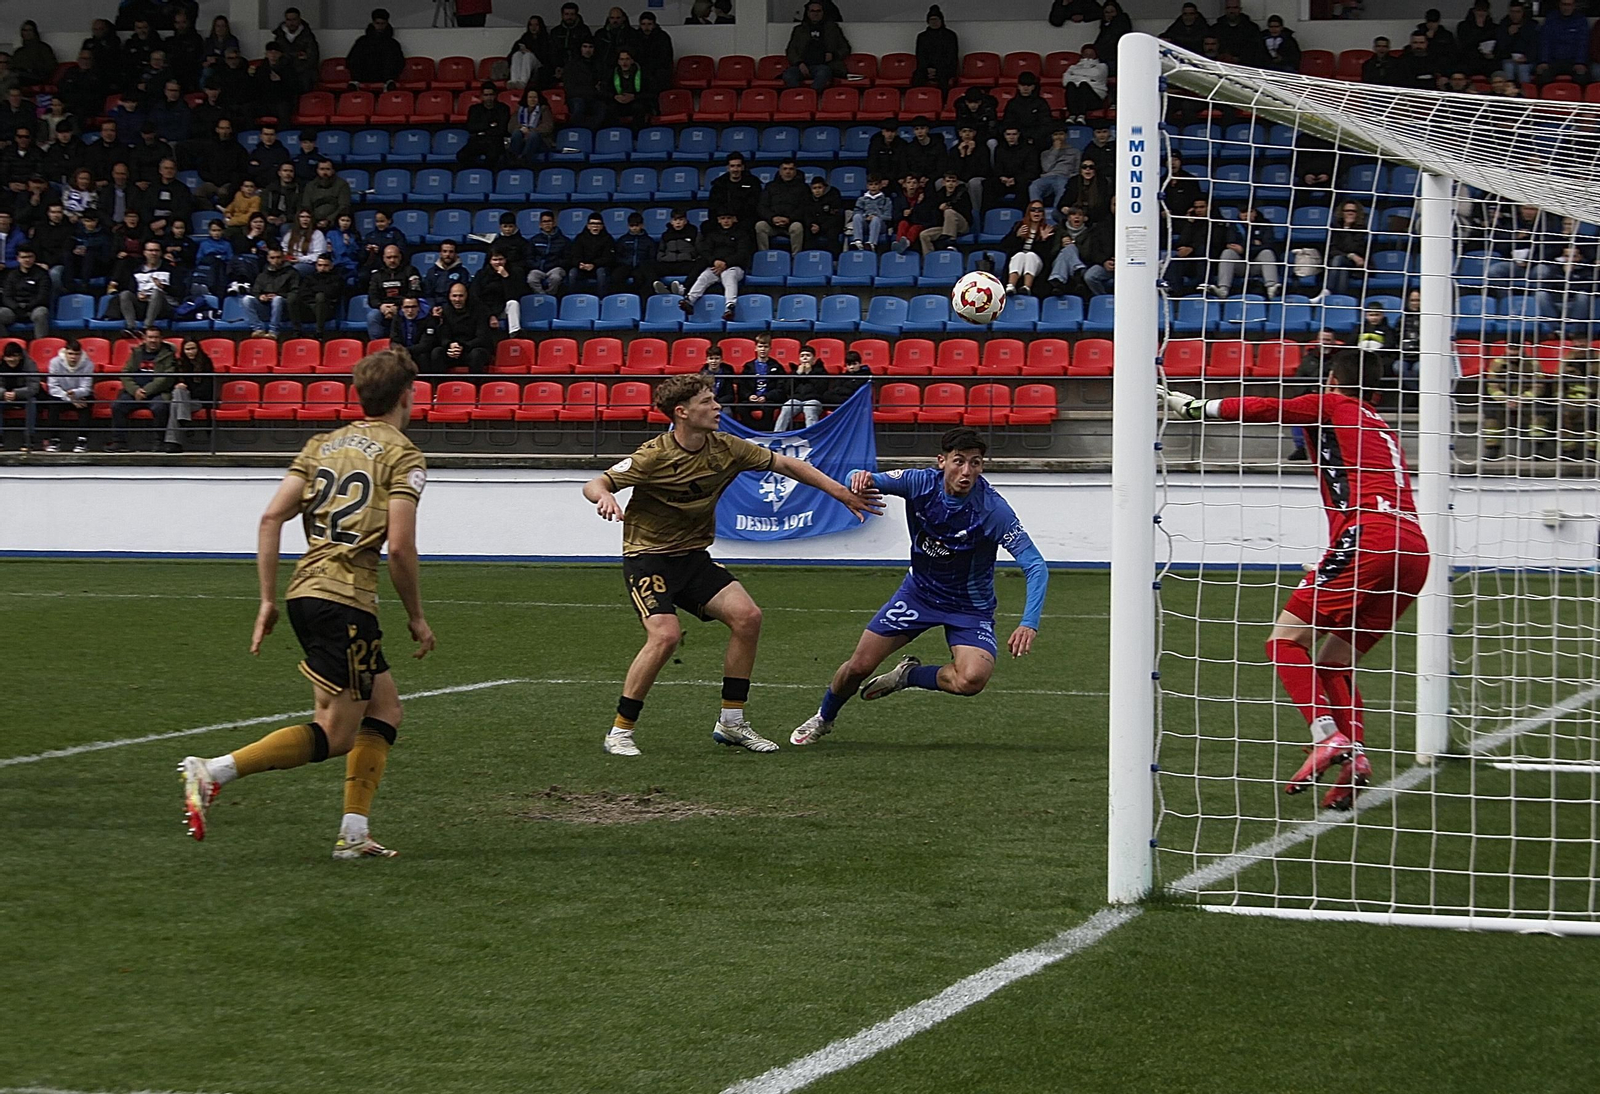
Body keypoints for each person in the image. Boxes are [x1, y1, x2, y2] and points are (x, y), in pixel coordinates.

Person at [180, 348, 434, 858]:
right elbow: (401, 547)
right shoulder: (403, 455)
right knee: (336, 733)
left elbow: (271, 517)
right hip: (347, 603)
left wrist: (267, 600)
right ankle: (212, 772)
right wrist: (416, 616)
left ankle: (354, 834)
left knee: (385, 709)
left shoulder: (322, 444)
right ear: (408, 396)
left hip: (305, 593)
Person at [1161, 350, 1431, 810]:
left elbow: (1265, 408)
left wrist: (1195, 408)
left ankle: (1326, 736)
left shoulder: (1334, 405)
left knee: (1284, 641)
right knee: (1333, 663)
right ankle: (1354, 762)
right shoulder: (1382, 427)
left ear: (1331, 380)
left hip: (1370, 538)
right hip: (1413, 548)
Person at [581, 373, 879, 757]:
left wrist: (840, 493)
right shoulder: (653, 455)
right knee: (666, 635)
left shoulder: (727, 448)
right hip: (648, 559)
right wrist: (605, 498)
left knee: (748, 617)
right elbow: (597, 483)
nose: (717, 407)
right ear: (682, 413)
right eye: (707, 401)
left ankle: (732, 722)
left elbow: (786, 465)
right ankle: (620, 731)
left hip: (692, 558)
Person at [789, 427, 1049, 747]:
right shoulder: (918, 483)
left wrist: (1029, 622)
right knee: (858, 666)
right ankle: (824, 718)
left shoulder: (992, 511)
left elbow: (1035, 564)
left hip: (969, 607)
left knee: (972, 679)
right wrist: (858, 478)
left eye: (976, 463)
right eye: (959, 461)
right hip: (919, 595)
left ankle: (909, 676)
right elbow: (865, 476)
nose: (967, 471)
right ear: (941, 461)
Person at [107, 326, 175, 451]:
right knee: (117, 406)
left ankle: (158, 443)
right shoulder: (136, 353)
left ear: (161, 339)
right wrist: (135, 390)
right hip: (134, 393)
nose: (153, 340)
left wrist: (146, 391)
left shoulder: (169, 354)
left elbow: (167, 378)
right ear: (144, 338)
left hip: (157, 393)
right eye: (150, 337)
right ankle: (119, 442)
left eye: (156, 337)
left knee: (160, 407)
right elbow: (126, 373)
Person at [680, 210, 748, 321]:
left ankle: (730, 307)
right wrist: (714, 261)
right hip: (715, 266)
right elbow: (706, 251)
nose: (726, 221)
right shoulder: (713, 235)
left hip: (734, 267)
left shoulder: (741, 234)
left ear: (734, 219)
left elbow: (742, 253)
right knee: (704, 276)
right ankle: (689, 301)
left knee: (728, 276)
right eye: (723, 218)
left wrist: (726, 263)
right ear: (718, 220)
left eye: (728, 218)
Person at [41, 338, 94, 452]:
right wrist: (69, 397)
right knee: (52, 404)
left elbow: (86, 387)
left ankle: (82, 440)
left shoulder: (88, 364)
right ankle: (54, 440)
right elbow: (53, 387)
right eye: (70, 354)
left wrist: (76, 394)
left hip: (79, 395)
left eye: (76, 354)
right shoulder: (54, 362)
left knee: (87, 403)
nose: (73, 357)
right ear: (65, 352)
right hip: (61, 395)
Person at [428, 282, 493, 375]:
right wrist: (450, 345)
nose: (457, 299)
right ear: (449, 296)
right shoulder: (445, 311)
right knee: (437, 352)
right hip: (453, 350)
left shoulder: (479, 310)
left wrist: (463, 346)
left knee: (477, 354)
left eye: (461, 296)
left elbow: (482, 338)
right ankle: (439, 385)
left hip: (472, 349)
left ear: (466, 295)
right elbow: (443, 335)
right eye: (454, 296)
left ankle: (474, 386)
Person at [161, 337, 213, 452]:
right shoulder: (179, 363)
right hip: (184, 401)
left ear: (198, 349)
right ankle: (183, 420)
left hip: (199, 401)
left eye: (193, 348)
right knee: (178, 392)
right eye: (187, 349)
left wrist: (188, 391)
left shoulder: (206, 363)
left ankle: (172, 442)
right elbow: (172, 384)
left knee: (176, 403)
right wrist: (181, 387)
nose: (190, 352)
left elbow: (207, 388)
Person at [785, 1, 850, 92]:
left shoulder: (833, 28)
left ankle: (810, 97)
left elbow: (845, 48)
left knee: (823, 73)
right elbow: (791, 50)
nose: (815, 14)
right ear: (808, 13)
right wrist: (799, 63)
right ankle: (799, 96)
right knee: (789, 74)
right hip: (802, 65)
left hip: (824, 65)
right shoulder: (799, 30)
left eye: (818, 11)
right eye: (812, 11)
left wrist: (833, 55)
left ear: (823, 12)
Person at [113, 238, 175, 329]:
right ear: (144, 253)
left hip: (164, 306)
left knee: (157, 292)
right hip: (143, 305)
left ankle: (147, 327)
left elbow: (180, 291)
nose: (153, 253)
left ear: (161, 253)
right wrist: (138, 295)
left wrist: (164, 287)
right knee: (125, 294)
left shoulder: (170, 269)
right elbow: (132, 289)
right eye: (150, 250)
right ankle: (131, 327)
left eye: (156, 250)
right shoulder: (136, 271)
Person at [732, 332, 788, 430]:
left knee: (768, 409)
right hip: (751, 400)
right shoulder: (748, 367)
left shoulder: (777, 366)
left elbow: (781, 388)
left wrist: (766, 396)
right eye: (760, 346)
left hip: (769, 400)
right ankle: (751, 433)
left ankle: (764, 434)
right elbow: (742, 386)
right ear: (755, 348)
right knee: (741, 408)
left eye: (765, 347)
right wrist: (749, 396)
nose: (763, 349)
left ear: (770, 349)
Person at [755, 158, 810, 255]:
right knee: (760, 226)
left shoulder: (803, 188)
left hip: (792, 223)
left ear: (795, 171)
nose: (788, 172)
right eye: (785, 169)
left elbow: (804, 208)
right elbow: (762, 206)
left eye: (791, 169)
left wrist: (789, 219)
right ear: (780, 171)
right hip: (772, 223)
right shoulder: (770, 186)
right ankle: (763, 256)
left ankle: (796, 258)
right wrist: (772, 218)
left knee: (797, 227)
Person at [244, 245, 299, 338]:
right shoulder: (263, 274)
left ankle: (273, 331)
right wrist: (260, 296)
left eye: (278, 257)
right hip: (265, 306)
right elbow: (255, 290)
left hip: (284, 307)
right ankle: (258, 329)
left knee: (277, 299)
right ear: (268, 258)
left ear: (283, 257)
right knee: (247, 299)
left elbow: (295, 292)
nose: (275, 260)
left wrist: (277, 295)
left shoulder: (292, 273)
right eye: (272, 258)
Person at [1004, 201, 1057, 297]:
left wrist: (1043, 240)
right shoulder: (1019, 226)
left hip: (1037, 265)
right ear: (1028, 212)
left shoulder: (1048, 230)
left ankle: (1026, 287)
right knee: (1020, 255)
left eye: (1040, 210)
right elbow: (1005, 245)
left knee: (1030, 255)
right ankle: (1011, 286)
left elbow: (1048, 255)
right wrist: (1016, 236)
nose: (1036, 213)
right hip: (1018, 262)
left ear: (1043, 214)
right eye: (1033, 210)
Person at [774, 344, 829, 431]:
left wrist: (809, 373)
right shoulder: (794, 371)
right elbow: (787, 389)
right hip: (796, 399)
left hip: (813, 399)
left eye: (808, 355)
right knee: (786, 408)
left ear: (814, 358)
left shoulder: (821, 371)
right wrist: (797, 375)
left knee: (810, 409)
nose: (805, 358)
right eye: (802, 356)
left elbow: (822, 388)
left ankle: (811, 438)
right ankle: (777, 436)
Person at [0, 245, 50, 338]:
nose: (27, 260)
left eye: (30, 257)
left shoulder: (42, 274)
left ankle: (40, 344)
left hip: (34, 309)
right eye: (23, 257)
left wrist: (27, 306)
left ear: (34, 258)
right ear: (18, 258)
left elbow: (43, 296)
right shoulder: (11, 275)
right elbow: (6, 296)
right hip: (14, 310)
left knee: (41, 313)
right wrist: (16, 307)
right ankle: (6, 344)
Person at [347, 8, 405, 88]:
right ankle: (356, 82)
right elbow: (352, 60)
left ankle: (389, 81)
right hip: (363, 76)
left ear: (387, 23)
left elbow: (399, 62)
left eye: (383, 23)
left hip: (385, 77)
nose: (380, 27)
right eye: (378, 23)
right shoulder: (362, 42)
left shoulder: (392, 44)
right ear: (373, 23)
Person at [1029, 125, 1081, 213]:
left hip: (1065, 177)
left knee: (1063, 187)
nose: (1058, 137)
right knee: (1034, 186)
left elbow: (1077, 169)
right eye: (1056, 134)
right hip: (1047, 177)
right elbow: (1046, 168)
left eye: (1061, 134)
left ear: (1066, 136)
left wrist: (1070, 177)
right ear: (1052, 137)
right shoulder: (1045, 153)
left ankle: (1057, 214)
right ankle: (1036, 212)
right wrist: (1056, 150)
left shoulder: (1075, 152)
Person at [458, 82, 509, 169]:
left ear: (496, 95)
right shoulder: (474, 109)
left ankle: (486, 175)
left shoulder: (503, 108)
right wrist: (490, 125)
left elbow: (502, 129)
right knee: (461, 155)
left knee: (492, 157)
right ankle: (475, 171)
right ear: (481, 96)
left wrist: (482, 128)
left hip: (495, 141)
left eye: (491, 95)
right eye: (486, 95)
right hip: (477, 140)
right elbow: (471, 127)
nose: (489, 98)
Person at [473, 248, 524, 334]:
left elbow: (512, 295)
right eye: (495, 260)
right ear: (490, 261)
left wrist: (506, 277)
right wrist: (490, 315)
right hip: (484, 309)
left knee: (513, 303)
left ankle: (514, 333)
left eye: (501, 259)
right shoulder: (481, 274)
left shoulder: (514, 273)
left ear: (505, 260)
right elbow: (475, 295)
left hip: (502, 308)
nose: (498, 262)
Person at [918, 171, 971, 254]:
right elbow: (934, 212)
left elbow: (966, 211)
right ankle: (929, 260)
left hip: (962, 225)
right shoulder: (939, 195)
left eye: (953, 182)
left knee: (949, 212)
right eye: (948, 181)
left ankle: (950, 242)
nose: (950, 184)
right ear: (943, 183)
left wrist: (949, 206)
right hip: (945, 227)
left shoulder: (963, 193)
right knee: (924, 235)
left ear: (957, 183)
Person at [0, 338, 39, 450]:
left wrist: (16, 393)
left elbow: (34, 386)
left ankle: (29, 439)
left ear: (20, 356)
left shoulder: (30, 364)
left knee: (33, 402)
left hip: (23, 396)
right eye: (9, 360)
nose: (12, 362)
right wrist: (3, 393)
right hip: (4, 396)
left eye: (15, 359)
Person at [296, 251, 347, 336]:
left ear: (331, 266)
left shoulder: (337, 279)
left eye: (325, 265)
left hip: (327, 310)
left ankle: (319, 332)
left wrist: (314, 290)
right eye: (320, 265)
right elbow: (303, 293)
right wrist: (319, 291)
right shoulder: (309, 278)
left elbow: (331, 292)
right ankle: (297, 331)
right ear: (316, 266)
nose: (322, 268)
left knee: (320, 297)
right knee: (293, 298)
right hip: (309, 308)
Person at [648, 207, 698, 294]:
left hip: (686, 264)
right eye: (675, 220)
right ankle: (660, 286)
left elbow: (698, 249)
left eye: (681, 219)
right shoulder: (666, 235)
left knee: (701, 265)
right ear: (671, 222)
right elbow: (661, 250)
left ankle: (684, 288)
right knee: (646, 265)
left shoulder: (693, 232)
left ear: (685, 221)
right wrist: (663, 258)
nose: (678, 222)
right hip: (668, 263)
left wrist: (691, 256)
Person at [566, 212, 615, 296]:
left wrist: (594, 264)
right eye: (592, 223)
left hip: (599, 267)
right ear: (588, 226)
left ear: (602, 226)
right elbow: (574, 255)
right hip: (582, 267)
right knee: (572, 273)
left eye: (598, 224)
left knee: (601, 273)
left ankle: (601, 299)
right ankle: (572, 298)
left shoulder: (608, 239)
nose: (595, 226)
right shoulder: (580, 238)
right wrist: (579, 264)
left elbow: (608, 258)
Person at [708, 152, 761, 226]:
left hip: (745, 221)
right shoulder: (719, 184)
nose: (735, 169)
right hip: (723, 220)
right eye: (732, 166)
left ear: (743, 167)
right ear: (728, 168)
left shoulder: (753, 183)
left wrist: (737, 218)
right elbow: (713, 207)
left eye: (738, 166)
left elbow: (754, 206)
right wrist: (725, 218)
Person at [610, 211, 655, 297]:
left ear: (642, 225)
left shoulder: (649, 241)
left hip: (641, 267)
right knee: (616, 276)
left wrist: (643, 264)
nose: (634, 228)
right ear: (628, 226)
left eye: (637, 225)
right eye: (632, 225)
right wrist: (625, 262)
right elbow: (617, 256)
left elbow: (651, 257)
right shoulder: (623, 240)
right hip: (625, 265)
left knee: (641, 278)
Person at [563, 39, 604, 130]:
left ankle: (590, 133)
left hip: (594, 98)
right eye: (585, 47)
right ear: (580, 48)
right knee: (579, 106)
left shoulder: (599, 65)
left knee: (602, 108)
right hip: (576, 98)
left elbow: (602, 84)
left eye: (590, 47)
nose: (587, 50)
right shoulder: (571, 65)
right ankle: (573, 131)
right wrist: (592, 90)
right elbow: (570, 88)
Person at [915, 6, 959, 90]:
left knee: (943, 77)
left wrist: (937, 69)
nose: (934, 22)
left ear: (941, 21)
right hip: (926, 68)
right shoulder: (922, 36)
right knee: (917, 76)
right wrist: (927, 69)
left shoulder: (950, 35)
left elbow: (951, 56)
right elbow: (920, 55)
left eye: (936, 20)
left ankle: (943, 101)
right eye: (931, 20)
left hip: (945, 68)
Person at [525, 210, 568, 295]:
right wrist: (537, 265)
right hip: (538, 268)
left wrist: (555, 263)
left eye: (549, 221)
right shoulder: (534, 240)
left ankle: (551, 297)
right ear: (540, 224)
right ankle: (542, 296)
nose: (547, 224)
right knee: (531, 278)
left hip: (556, 268)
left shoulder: (564, 240)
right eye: (544, 222)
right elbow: (529, 257)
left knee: (556, 278)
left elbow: (567, 259)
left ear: (554, 223)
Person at [300, 159, 351, 230]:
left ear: (333, 170)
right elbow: (306, 206)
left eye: (327, 169)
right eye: (322, 169)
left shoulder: (342, 185)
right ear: (317, 170)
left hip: (335, 223)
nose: (324, 172)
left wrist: (329, 220)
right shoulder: (310, 185)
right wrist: (314, 221)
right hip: (313, 223)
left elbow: (343, 206)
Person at [1497, 2, 1539, 86]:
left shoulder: (1532, 25)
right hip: (1509, 58)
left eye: (1518, 12)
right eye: (1512, 12)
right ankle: (1510, 93)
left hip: (1528, 59)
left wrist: (1527, 57)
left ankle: (1525, 94)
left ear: (1523, 12)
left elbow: (1536, 45)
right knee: (1509, 67)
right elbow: (1499, 48)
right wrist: (1508, 35)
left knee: (1523, 68)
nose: (1514, 15)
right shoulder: (1503, 25)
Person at [508, 88, 553, 165]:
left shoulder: (544, 109)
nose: (532, 100)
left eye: (535, 97)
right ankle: (513, 159)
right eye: (530, 97)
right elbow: (511, 126)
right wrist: (521, 128)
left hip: (540, 141)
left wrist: (530, 130)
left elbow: (548, 127)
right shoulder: (519, 110)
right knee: (516, 133)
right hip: (522, 140)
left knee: (533, 135)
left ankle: (524, 159)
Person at [508, 15, 554, 90]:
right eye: (531, 25)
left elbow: (547, 58)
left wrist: (531, 52)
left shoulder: (547, 40)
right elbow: (510, 56)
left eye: (536, 25)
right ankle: (514, 81)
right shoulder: (524, 38)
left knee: (528, 56)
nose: (533, 27)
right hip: (524, 66)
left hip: (539, 69)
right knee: (517, 54)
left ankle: (522, 82)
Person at [633, 11, 674, 92]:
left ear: (654, 24)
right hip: (640, 69)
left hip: (658, 70)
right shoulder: (635, 37)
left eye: (649, 24)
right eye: (643, 24)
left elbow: (665, 57)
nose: (646, 27)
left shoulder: (662, 37)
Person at [849, 176, 894, 251]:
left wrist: (876, 216)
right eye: (871, 184)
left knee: (875, 219)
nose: (873, 187)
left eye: (876, 184)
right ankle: (858, 241)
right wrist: (866, 217)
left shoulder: (886, 200)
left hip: (880, 225)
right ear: (867, 186)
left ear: (880, 186)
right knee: (857, 216)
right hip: (865, 224)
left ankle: (871, 243)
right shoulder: (861, 199)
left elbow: (888, 216)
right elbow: (857, 211)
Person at [421, 240, 470, 307]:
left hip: (453, 308)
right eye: (445, 251)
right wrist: (433, 307)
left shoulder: (463, 272)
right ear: (440, 253)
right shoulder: (431, 271)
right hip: (434, 308)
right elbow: (427, 294)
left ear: (456, 254)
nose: (447, 254)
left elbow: (463, 295)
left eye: (451, 252)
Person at [805, 174, 846, 253]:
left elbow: (836, 217)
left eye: (819, 188)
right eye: (814, 188)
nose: (817, 191)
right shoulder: (808, 197)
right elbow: (806, 214)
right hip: (814, 225)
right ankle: (808, 257)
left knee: (832, 234)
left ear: (825, 187)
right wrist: (812, 224)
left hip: (830, 225)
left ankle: (834, 259)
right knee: (806, 232)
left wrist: (820, 227)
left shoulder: (833, 194)